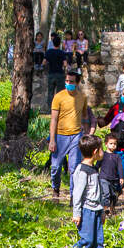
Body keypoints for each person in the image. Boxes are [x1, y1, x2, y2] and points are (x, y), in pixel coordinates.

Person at [48, 68, 88, 197]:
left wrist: (86, 133)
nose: (68, 83)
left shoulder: (82, 97)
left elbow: (85, 116)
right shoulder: (58, 97)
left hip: (76, 136)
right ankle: (55, 189)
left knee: (74, 168)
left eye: (71, 81)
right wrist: (52, 140)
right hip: (60, 136)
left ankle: (73, 196)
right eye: (66, 81)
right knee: (55, 167)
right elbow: (53, 119)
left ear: (77, 82)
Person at [71, 133, 106, 248]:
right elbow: (77, 194)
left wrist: (102, 211)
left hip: (96, 209)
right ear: (95, 152)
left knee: (98, 240)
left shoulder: (94, 169)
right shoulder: (82, 170)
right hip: (86, 210)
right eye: (102, 149)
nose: (103, 152)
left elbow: (98, 191)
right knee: (87, 240)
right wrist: (77, 213)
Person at [100, 131, 124, 212]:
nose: (113, 145)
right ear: (106, 144)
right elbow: (97, 165)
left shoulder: (117, 156)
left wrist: (121, 177)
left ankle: (112, 207)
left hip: (114, 179)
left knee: (114, 195)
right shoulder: (103, 155)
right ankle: (105, 208)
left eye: (115, 144)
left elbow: (120, 167)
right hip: (104, 178)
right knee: (106, 193)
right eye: (111, 143)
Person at [44, 33, 69, 100]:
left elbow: (44, 62)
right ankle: (59, 108)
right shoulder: (61, 52)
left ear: (53, 43)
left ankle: (50, 108)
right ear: (59, 43)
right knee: (60, 93)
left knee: (50, 93)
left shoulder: (49, 52)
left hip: (51, 73)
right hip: (60, 74)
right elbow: (65, 64)